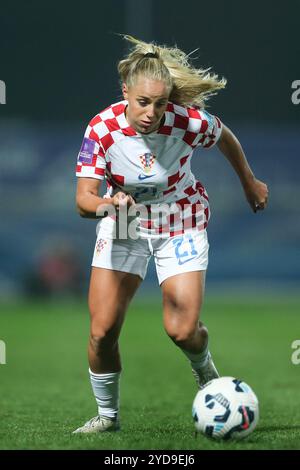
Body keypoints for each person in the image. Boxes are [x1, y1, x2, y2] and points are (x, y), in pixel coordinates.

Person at [73, 35, 268, 434]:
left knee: (181, 330)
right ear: (125, 91)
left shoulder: (185, 121)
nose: (152, 112)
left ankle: (206, 371)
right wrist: (110, 205)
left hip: (180, 218)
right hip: (126, 220)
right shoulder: (102, 129)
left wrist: (249, 182)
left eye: (160, 103)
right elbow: (83, 200)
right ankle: (107, 417)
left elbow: (224, 136)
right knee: (102, 330)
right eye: (143, 102)